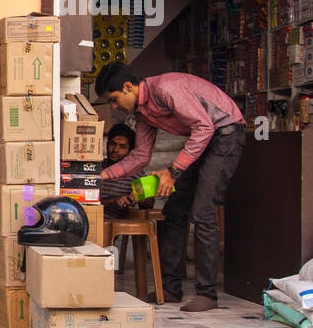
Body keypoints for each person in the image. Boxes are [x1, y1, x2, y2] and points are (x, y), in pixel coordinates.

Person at [95, 63, 244, 312]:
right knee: (173, 211)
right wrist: (101, 176)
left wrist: (173, 171)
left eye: (114, 99)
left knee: (202, 212)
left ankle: (207, 294)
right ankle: (170, 289)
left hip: (226, 135)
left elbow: (204, 126)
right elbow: (140, 156)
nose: (114, 107)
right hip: (204, 141)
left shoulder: (165, 89)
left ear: (128, 87)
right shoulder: (142, 114)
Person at [100, 123, 137, 219]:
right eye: (113, 144)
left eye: (122, 146)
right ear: (107, 144)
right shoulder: (95, 168)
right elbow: (82, 201)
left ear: (130, 151)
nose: (115, 150)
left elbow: (147, 207)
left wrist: (143, 198)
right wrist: (111, 201)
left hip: (115, 227)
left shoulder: (135, 174)